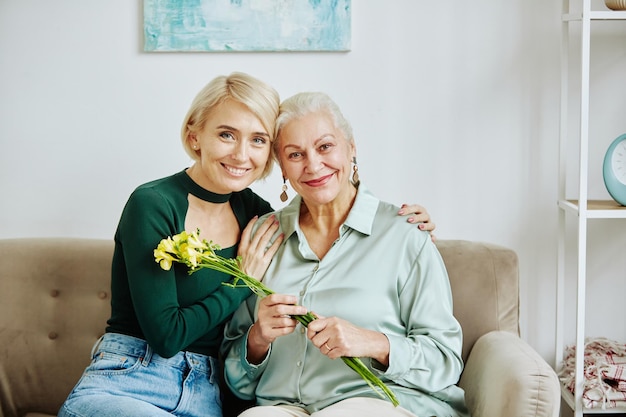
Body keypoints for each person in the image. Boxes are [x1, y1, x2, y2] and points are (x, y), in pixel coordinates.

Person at [58, 73, 436, 417]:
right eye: (226, 135)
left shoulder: (257, 217)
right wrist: (242, 279)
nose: (241, 155)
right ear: (194, 137)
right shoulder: (153, 203)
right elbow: (167, 336)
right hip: (130, 377)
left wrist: (404, 226)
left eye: (257, 140)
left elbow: (323, 213)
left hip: (205, 392)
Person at [222, 92, 469, 417]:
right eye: (295, 154)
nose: (313, 164)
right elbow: (235, 377)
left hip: (383, 404)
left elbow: (445, 360)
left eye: (325, 147)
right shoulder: (263, 238)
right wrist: (258, 337)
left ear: (351, 147)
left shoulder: (404, 234)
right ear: (282, 166)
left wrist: (374, 343)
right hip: (282, 408)